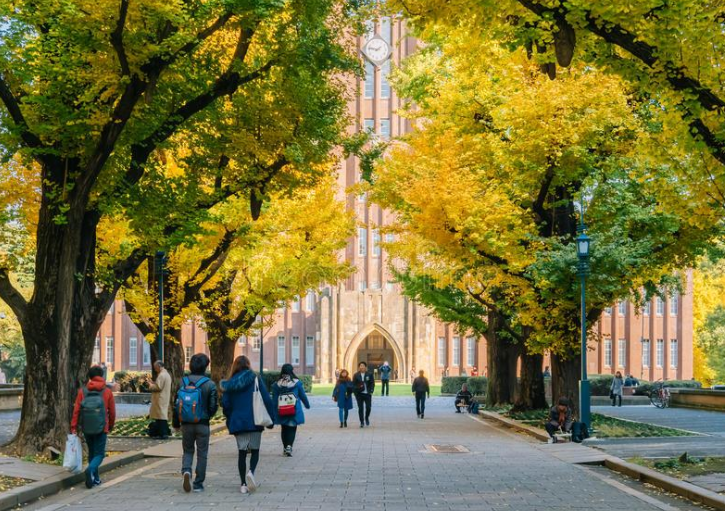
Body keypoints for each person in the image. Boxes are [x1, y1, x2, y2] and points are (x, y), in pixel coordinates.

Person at [221, 355, 275, 495]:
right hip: (255, 420)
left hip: (238, 421)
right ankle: (251, 472)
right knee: (255, 450)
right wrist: (271, 418)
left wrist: (230, 416)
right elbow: (267, 400)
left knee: (242, 452)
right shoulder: (255, 378)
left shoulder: (230, 383)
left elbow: (225, 404)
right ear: (248, 365)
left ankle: (243, 484)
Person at [173, 353, 218, 493]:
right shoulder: (210, 384)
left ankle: (186, 471)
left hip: (186, 423)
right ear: (205, 366)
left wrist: (176, 422)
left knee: (187, 450)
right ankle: (198, 484)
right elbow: (213, 407)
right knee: (202, 453)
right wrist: (206, 416)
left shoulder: (183, 382)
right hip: (202, 424)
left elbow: (176, 404)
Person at [70, 365, 116, 488]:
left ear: (89, 377)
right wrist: (110, 425)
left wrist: (74, 426)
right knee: (99, 454)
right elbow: (112, 412)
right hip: (102, 427)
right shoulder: (107, 392)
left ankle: (95, 479)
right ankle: (90, 470)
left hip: (87, 426)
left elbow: (76, 410)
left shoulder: (83, 391)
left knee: (92, 452)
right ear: (102, 376)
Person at [272, 364, 311, 457]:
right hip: (294, 410)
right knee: (292, 428)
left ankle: (285, 447)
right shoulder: (296, 383)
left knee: (284, 429)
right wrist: (307, 405)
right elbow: (302, 395)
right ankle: (289, 446)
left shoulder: (277, 384)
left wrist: (274, 411)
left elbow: (274, 400)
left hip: (282, 410)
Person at [148, 361, 172, 438]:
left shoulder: (161, 375)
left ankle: (163, 433)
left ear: (159, 366)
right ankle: (162, 432)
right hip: (164, 397)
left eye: (155, 367)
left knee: (160, 416)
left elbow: (158, 387)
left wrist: (151, 385)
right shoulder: (166, 374)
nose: (155, 369)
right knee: (161, 416)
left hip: (160, 398)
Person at [353, 361, 375, 427]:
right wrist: (356, 391)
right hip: (359, 394)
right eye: (360, 366)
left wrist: (371, 391)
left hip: (367, 394)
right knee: (360, 408)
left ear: (365, 367)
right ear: (359, 367)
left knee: (368, 407)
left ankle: (366, 417)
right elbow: (353, 385)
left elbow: (372, 383)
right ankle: (362, 422)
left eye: (363, 366)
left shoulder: (369, 374)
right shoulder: (356, 375)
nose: (362, 367)